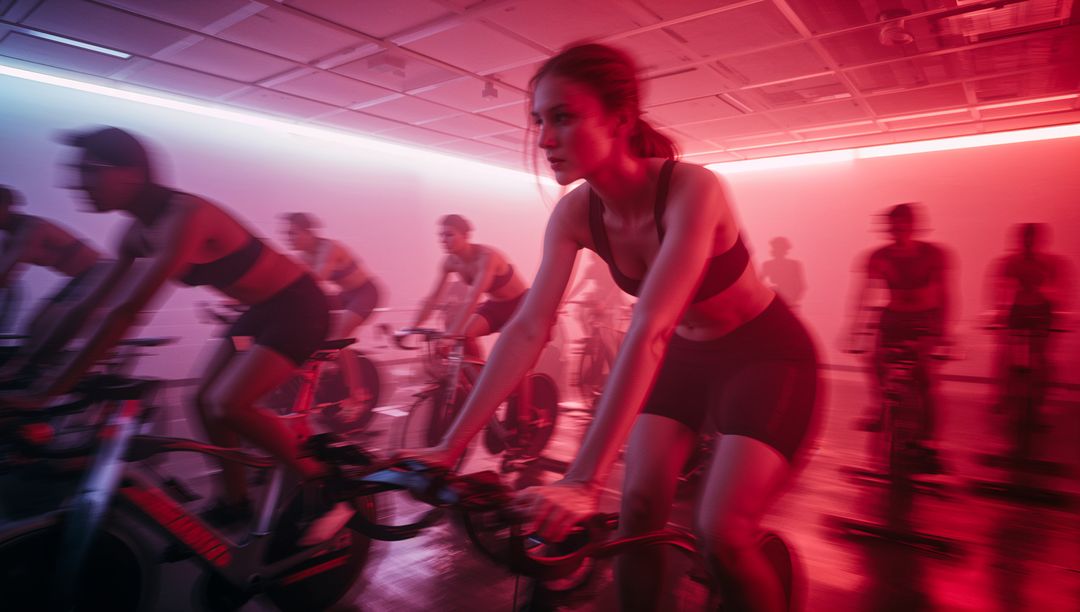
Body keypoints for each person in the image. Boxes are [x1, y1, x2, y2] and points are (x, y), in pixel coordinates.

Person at [402, 44, 819, 611]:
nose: (545, 139)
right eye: (540, 121)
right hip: (685, 357)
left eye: (564, 118)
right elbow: (528, 328)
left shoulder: (692, 190)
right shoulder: (575, 215)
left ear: (620, 119)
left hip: (764, 354)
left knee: (723, 532)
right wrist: (450, 446)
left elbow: (650, 328)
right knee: (638, 515)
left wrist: (583, 478)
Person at [10, 127, 350, 545]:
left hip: (300, 306)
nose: (76, 183)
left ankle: (326, 485)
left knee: (229, 403)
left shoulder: (187, 216)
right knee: (201, 400)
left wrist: (50, 392)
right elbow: (86, 306)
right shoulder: (135, 235)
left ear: (131, 174)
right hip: (260, 312)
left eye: (88, 171)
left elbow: (125, 312)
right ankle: (236, 499)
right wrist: (28, 370)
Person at [844, 203, 954, 467]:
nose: (898, 231)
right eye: (894, 226)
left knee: (926, 379)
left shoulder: (934, 254)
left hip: (924, 319)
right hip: (893, 318)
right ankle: (880, 406)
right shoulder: (878, 256)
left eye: (903, 225)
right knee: (873, 362)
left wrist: (944, 331)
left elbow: (945, 293)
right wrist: (854, 328)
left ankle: (929, 439)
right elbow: (863, 293)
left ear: (913, 226)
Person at [281, 212, 384, 420]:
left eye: (292, 233)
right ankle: (317, 378)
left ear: (308, 233)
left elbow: (316, 281)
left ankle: (357, 395)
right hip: (344, 294)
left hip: (364, 292)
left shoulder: (329, 249)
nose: (287, 237)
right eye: (286, 233)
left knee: (338, 337)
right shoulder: (304, 256)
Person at [0, 185, 107, 377]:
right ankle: (33, 371)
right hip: (81, 278)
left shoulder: (31, 229)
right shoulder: (10, 239)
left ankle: (31, 376)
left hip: (101, 272)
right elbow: (6, 282)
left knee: (47, 323)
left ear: (7, 207)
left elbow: (7, 270)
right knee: (35, 326)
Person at [409, 214, 529, 360]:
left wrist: (450, 334)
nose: (443, 240)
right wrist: (412, 328)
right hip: (495, 306)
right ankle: (477, 379)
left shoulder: (487, 257)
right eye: (441, 235)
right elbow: (433, 298)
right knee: (464, 335)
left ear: (465, 236)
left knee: (514, 360)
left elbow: (473, 298)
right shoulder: (449, 263)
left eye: (449, 235)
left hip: (522, 306)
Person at [986, 223, 1074, 410]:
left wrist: (1059, 313)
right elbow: (1000, 291)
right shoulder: (1010, 263)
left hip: (1040, 312)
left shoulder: (1049, 263)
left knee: (1040, 356)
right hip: (1018, 312)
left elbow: (1059, 293)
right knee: (1006, 352)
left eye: (1031, 240)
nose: (1028, 244)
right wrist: (999, 314)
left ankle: (1038, 400)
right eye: (1026, 240)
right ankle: (1002, 395)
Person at [760, 236, 806, 309]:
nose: (776, 250)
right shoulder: (768, 265)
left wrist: (792, 300)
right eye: (775, 247)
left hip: (788, 300)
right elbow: (759, 283)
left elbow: (801, 286)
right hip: (776, 300)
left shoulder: (794, 265)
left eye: (778, 248)